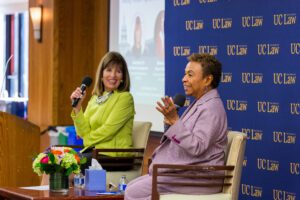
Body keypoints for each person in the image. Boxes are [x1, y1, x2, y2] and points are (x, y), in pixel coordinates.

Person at [125, 53, 228, 199]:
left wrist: (175, 121)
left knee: (133, 192)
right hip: (186, 174)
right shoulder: (200, 103)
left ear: (207, 79)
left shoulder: (211, 108)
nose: (184, 79)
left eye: (190, 75)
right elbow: (181, 138)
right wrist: (170, 122)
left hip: (199, 177)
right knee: (131, 187)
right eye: (185, 74)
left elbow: (197, 146)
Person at [70, 51, 135, 171]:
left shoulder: (125, 98)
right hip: (95, 153)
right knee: (53, 160)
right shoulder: (95, 98)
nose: (113, 75)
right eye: (109, 70)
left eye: (118, 71)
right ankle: (45, 191)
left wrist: (87, 140)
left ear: (123, 78)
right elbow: (82, 131)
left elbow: (108, 130)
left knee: (65, 164)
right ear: (101, 74)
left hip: (114, 157)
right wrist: (77, 107)